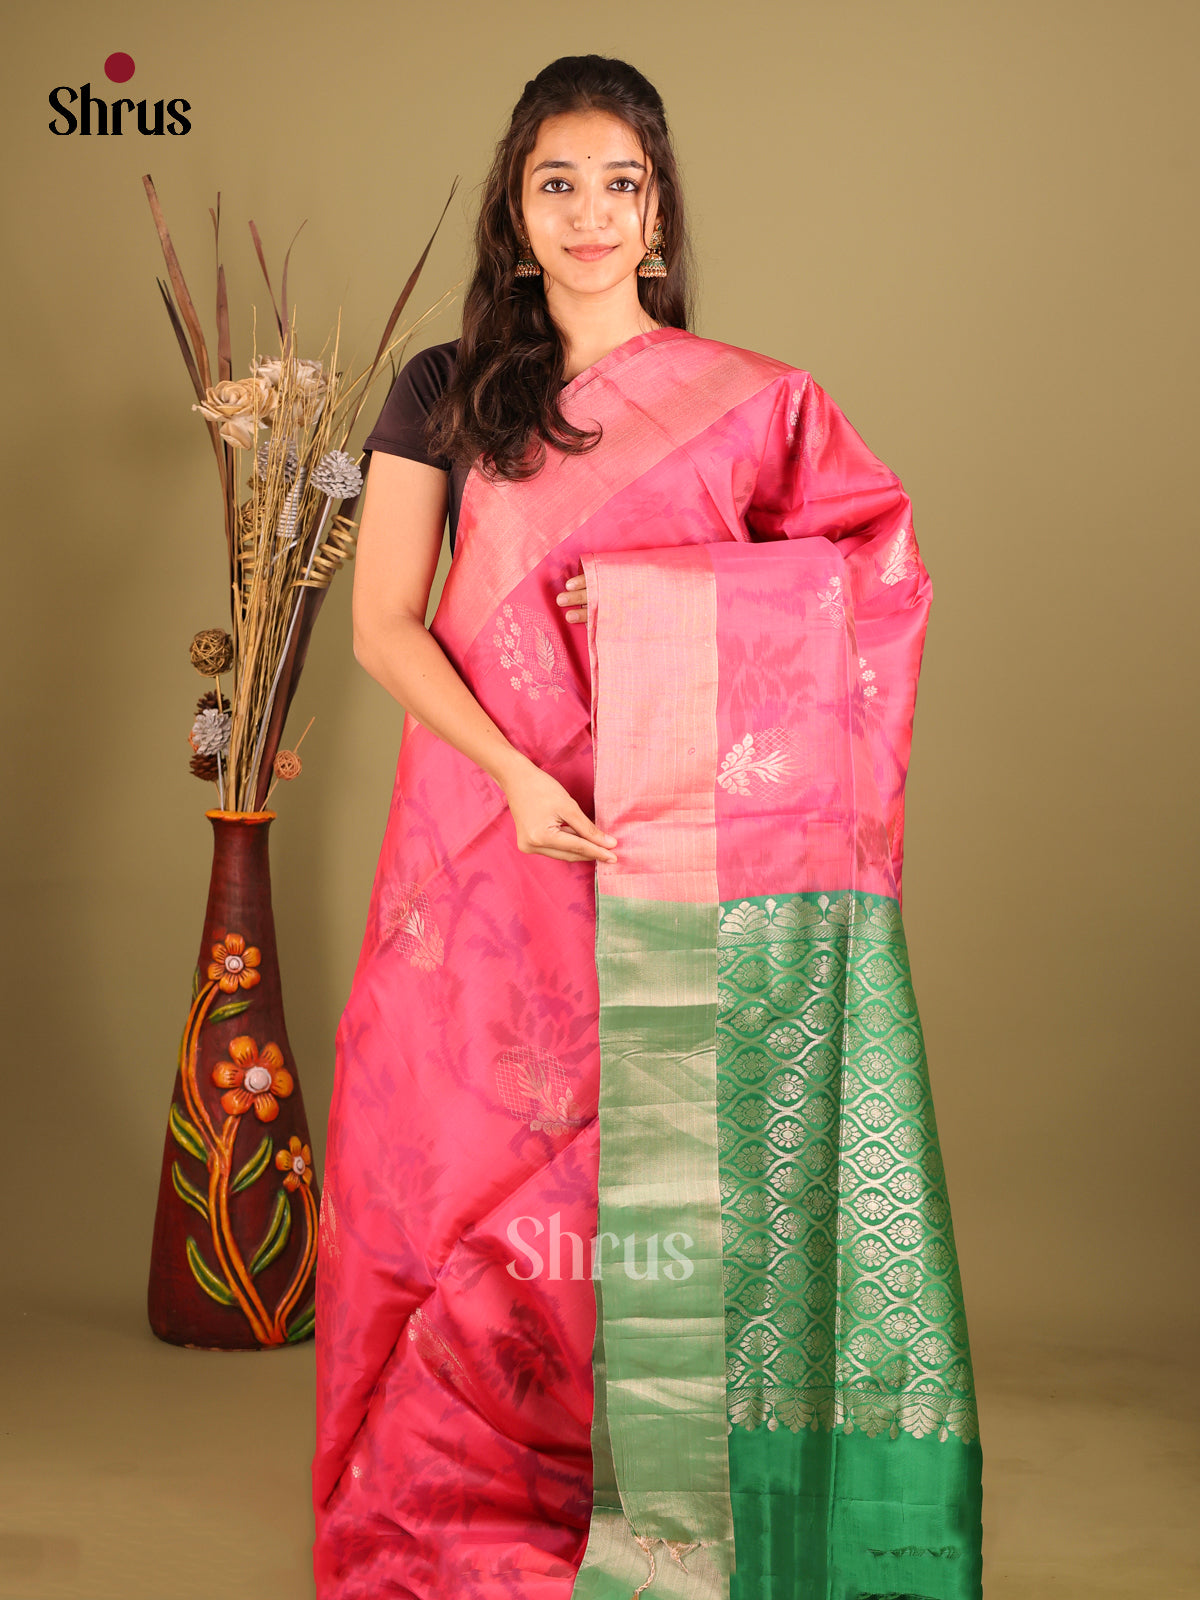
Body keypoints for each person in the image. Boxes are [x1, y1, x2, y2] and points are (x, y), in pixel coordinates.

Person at [312, 53, 983, 1600]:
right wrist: (515, 772)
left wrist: (664, 605)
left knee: (662, 1176)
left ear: (660, 213)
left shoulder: (751, 404)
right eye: (558, 184)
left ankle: (667, 1485)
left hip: (678, 862)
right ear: (516, 208)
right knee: (459, 1155)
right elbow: (384, 624)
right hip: (490, 843)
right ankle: (477, 1474)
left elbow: (868, 583)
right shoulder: (443, 388)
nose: (590, 214)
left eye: (621, 184)